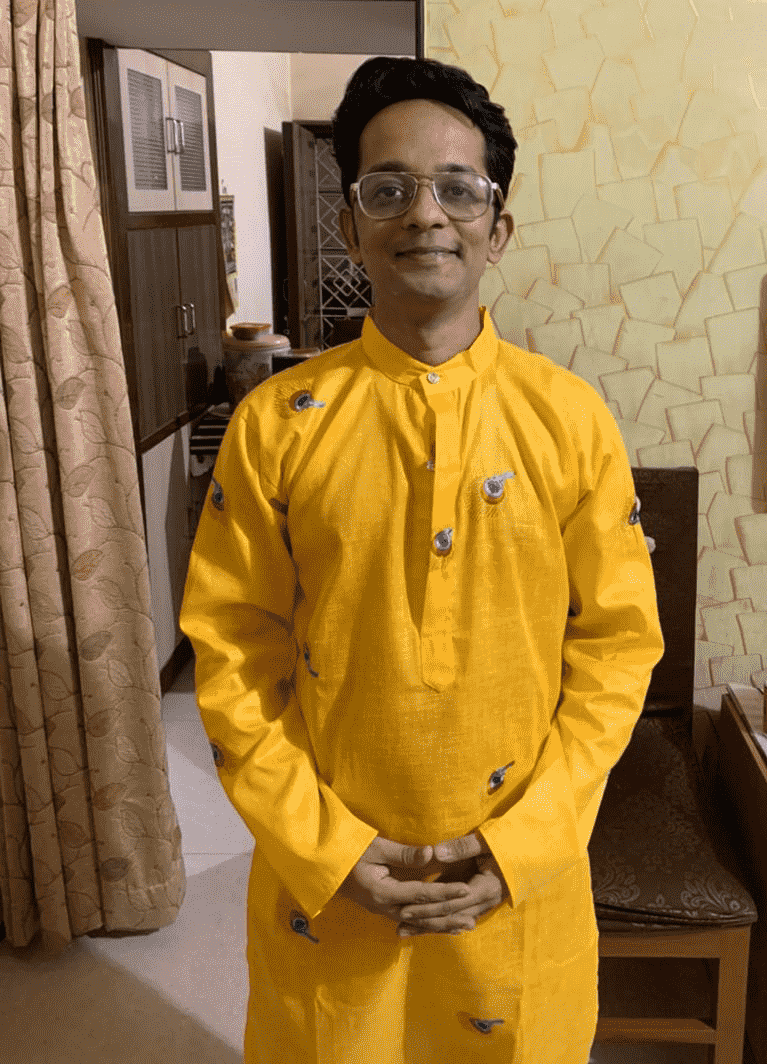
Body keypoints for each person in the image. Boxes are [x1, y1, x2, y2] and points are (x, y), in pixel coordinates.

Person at [179, 56, 664, 1064]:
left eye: (457, 188)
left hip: (516, 883)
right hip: (331, 887)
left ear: (499, 227)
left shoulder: (569, 419)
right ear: (350, 224)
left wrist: (523, 844)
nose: (425, 214)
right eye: (388, 189)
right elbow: (230, 654)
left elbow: (618, 649)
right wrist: (328, 847)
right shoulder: (278, 422)